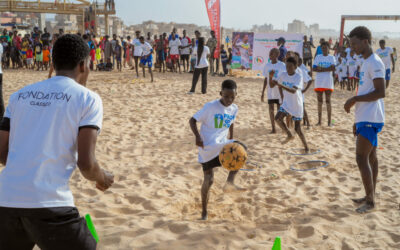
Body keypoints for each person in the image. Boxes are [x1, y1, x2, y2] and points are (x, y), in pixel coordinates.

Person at [0, 34, 114, 250]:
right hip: (50, 203)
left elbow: (1, 152)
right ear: (83, 65)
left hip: (5, 200)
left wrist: (26, 162)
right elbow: (87, 164)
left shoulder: (19, 96)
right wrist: (103, 178)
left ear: (53, 63)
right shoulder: (88, 99)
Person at [344, 26, 385, 213]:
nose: (352, 48)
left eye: (354, 44)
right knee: (371, 158)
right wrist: (357, 119)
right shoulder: (367, 62)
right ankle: (370, 195)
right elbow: (367, 90)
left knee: (361, 158)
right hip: (365, 117)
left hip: (370, 117)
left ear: (365, 41)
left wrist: (354, 99)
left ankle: (370, 202)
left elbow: (380, 92)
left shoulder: (375, 62)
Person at [189, 79, 243, 220]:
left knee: (241, 149)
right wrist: (197, 137)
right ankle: (204, 212)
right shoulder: (210, 107)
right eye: (226, 96)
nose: (229, 100)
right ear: (221, 93)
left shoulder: (234, 108)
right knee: (209, 179)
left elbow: (231, 122)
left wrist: (231, 139)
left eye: (232, 97)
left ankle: (229, 182)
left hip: (222, 145)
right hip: (207, 147)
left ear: (236, 95)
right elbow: (192, 120)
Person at [272, 57, 309, 152]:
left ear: (295, 67)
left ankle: (306, 147)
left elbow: (293, 91)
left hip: (296, 104)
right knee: (277, 118)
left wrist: (280, 85)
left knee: (298, 129)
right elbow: (274, 84)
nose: (288, 69)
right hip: (287, 103)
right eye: (287, 66)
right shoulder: (283, 75)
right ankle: (289, 134)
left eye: (290, 67)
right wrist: (272, 78)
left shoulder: (298, 77)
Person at [261, 48, 286, 133]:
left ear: (277, 55)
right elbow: (266, 79)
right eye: (270, 53)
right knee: (271, 110)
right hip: (270, 92)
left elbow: (285, 77)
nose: (270, 55)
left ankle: (282, 127)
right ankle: (273, 128)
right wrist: (263, 92)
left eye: (272, 53)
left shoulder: (282, 65)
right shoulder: (267, 65)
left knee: (279, 110)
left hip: (279, 92)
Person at [313, 41, 336, 126]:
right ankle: (319, 121)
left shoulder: (331, 57)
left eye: (325, 48)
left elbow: (333, 68)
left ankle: (330, 122)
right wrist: (327, 68)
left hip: (328, 82)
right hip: (319, 82)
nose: (324, 49)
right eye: (322, 48)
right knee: (319, 101)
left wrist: (321, 69)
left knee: (328, 101)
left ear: (328, 48)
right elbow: (314, 68)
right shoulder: (318, 57)